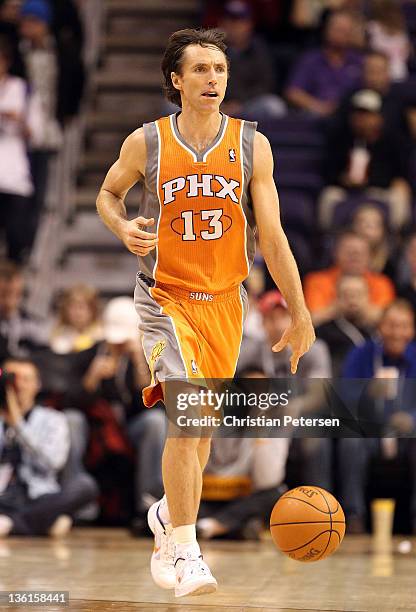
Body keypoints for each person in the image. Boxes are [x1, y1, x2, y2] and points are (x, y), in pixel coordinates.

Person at [96, 28, 315, 597]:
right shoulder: (146, 143)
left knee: (199, 435)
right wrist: (121, 226)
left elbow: (273, 236)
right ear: (176, 79)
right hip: (164, 295)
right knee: (187, 418)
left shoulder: (250, 145)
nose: (212, 78)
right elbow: (108, 195)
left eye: (219, 69)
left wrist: (299, 311)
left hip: (225, 300)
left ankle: (169, 514)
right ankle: (189, 549)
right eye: (199, 69)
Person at [237, 290, 332, 490]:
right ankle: (257, 506)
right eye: (271, 319)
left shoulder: (314, 348)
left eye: (284, 317)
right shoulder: (252, 349)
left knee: (315, 438)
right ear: (262, 324)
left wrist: (293, 406)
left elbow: (319, 393)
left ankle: (321, 505)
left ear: (295, 319)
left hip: (301, 416)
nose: (279, 325)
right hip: (264, 418)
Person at [339, 300, 416, 533]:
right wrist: (368, 392)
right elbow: (342, 398)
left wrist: (412, 419)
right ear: (380, 327)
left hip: (406, 436)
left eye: (403, 326)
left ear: (412, 330)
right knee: (350, 440)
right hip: (370, 430)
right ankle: (353, 516)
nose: (397, 333)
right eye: (391, 325)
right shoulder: (361, 354)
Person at [0, 357, 98, 537]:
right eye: (13, 379)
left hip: (39, 495)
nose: (19, 385)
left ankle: (12, 523)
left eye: (26, 379)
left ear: (37, 385)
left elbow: (53, 462)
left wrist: (18, 424)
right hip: (3, 494)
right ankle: (40, 523)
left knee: (85, 486)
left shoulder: (53, 419)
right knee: (57, 521)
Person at [318, 88, 412, 230]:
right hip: (347, 190)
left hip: (380, 190)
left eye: (367, 115)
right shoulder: (340, 139)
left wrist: (372, 180)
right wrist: (342, 178)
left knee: (400, 194)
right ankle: (327, 238)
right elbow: (328, 172)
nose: (362, 120)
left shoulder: (392, 141)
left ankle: (396, 237)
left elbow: (400, 173)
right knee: (328, 196)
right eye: (358, 114)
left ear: (378, 118)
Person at [304, 231, 395, 327]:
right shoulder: (316, 281)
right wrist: (339, 306)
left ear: (370, 256)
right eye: (349, 251)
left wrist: (358, 305)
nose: (355, 256)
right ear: (335, 253)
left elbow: (387, 319)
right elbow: (312, 319)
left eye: (360, 252)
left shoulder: (382, 283)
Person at [285, 9, 362, 116]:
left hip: (350, 118)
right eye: (338, 30)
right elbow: (293, 92)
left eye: (346, 31)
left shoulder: (359, 62)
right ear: (326, 30)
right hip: (315, 115)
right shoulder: (310, 60)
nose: (342, 35)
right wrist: (319, 107)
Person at [218, 1, 286, 119]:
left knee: (274, 105)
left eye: (239, 22)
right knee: (175, 105)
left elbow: (266, 84)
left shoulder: (259, 50)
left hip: (246, 105)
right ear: (221, 24)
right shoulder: (211, 49)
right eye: (229, 21)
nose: (233, 27)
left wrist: (239, 102)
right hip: (214, 106)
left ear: (249, 25)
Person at [316, 274, 375, 376]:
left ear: (368, 297)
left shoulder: (376, 331)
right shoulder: (323, 332)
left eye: (358, 294)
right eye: (347, 295)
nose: (352, 300)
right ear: (336, 298)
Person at [0, 259, 47, 359]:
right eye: (4, 294)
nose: (10, 301)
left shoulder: (32, 324)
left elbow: (43, 355)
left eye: (16, 295)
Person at [49, 284, 103, 354]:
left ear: (93, 309)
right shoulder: (59, 336)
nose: (78, 312)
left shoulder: (101, 336)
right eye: (73, 307)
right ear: (65, 310)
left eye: (81, 307)